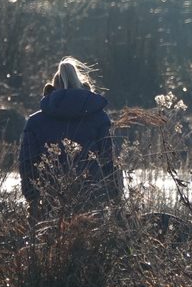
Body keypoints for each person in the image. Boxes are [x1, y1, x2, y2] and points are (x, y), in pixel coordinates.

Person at [18, 57, 119, 220]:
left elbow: (27, 164)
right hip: (91, 202)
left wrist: (33, 199)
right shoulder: (100, 119)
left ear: (51, 89)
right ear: (83, 86)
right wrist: (113, 197)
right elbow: (108, 160)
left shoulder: (35, 122)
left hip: (49, 202)